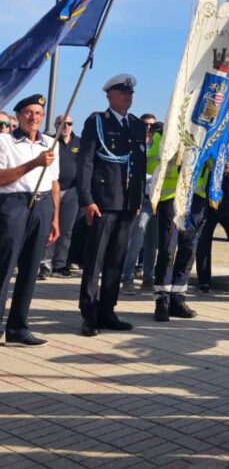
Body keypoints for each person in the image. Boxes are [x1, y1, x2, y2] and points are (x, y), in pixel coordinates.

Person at [76, 75, 147, 337]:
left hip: (127, 204)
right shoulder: (97, 122)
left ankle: (108, 311)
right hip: (103, 202)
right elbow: (85, 162)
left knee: (116, 260)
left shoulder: (138, 125)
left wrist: (137, 199)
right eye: (122, 92)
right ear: (109, 95)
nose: (128, 96)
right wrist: (87, 199)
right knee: (95, 260)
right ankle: (90, 314)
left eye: (130, 92)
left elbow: (138, 166)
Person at [0, 94, 60, 346]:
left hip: (42, 204)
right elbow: (2, 178)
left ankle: (18, 327)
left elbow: (54, 182)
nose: (34, 117)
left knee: (30, 270)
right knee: (4, 268)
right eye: (28, 113)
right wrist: (34, 163)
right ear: (18, 116)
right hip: (13, 204)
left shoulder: (49, 143)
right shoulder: (4, 142)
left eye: (38, 113)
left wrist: (55, 217)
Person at [148, 128, 210, 321]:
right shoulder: (165, 132)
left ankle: (178, 298)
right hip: (171, 198)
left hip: (196, 200)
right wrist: (176, 161)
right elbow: (150, 165)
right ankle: (162, 300)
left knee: (188, 251)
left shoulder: (206, 134)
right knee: (167, 250)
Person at [195, 154, 229, 292]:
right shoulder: (203, 153)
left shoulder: (226, 154)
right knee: (203, 243)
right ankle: (204, 281)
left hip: (227, 206)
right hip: (206, 206)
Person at [40, 114, 82, 279]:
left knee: (66, 229)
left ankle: (60, 264)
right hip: (51, 189)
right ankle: (45, 263)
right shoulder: (47, 142)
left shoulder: (79, 142)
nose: (65, 126)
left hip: (72, 190)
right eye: (61, 123)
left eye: (69, 123)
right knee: (49, 227)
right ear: (55, 125)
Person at [121, 113, 157, 294]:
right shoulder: (134, 146)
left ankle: (148, 279)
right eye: (145, 125)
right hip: (141, 199)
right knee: (137, 240)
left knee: (153, 243)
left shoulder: (159, 146)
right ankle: (127, 278)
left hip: (157, 200)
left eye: (152, 125)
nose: (149, 128)